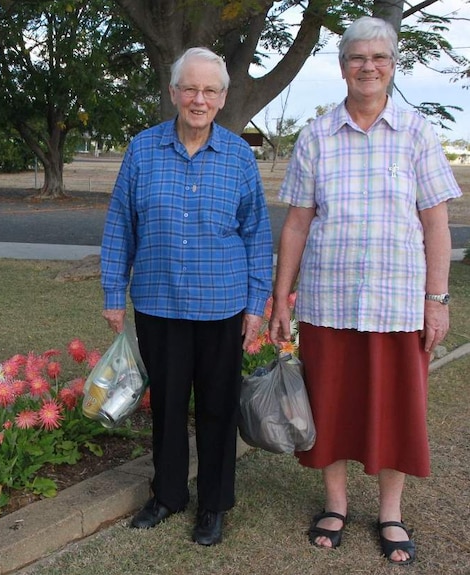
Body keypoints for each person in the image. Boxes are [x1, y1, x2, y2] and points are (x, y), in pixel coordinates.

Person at [268, 16, 462, 566]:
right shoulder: (316, 136)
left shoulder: (417, 132)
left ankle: (390, 512)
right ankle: (335, 504)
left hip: (398, 302)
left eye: (379, 57)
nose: (368, 66)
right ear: (342, 66)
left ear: (392, 66)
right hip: (328, 300)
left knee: (397, 409)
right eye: (358, 57)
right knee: (328, 406)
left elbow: (436, 226)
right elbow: (298, 224)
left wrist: (437, 299)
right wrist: (283, 297)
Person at [100, 47, 273, 546]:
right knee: (169, 407)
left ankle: (214, 505)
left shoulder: (239, 156)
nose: (200, 99)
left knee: (217, 410)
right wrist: (115, 292)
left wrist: (256, 305)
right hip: (160, 305)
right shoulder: (142, 150)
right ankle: (169, 494)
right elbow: (120, 225)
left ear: (221, 99)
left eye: (210, 90)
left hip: (223, 308)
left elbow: (256, 235)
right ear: (174, 93)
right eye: (190, 89)